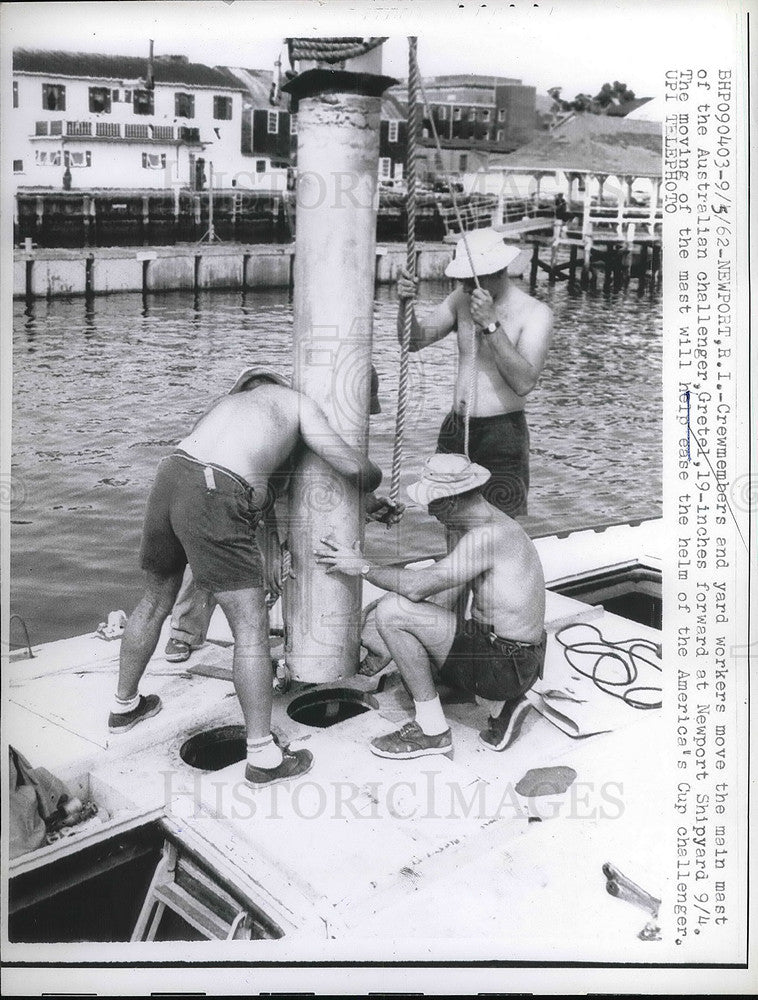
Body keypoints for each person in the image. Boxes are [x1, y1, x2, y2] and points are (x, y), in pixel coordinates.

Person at [109, 367, 383, 788]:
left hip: (172, 475)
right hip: (215, 490)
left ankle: (124, 707)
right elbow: (353, 469)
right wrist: (374, 480)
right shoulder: (298, 405)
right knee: (251, 627)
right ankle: (263, 756)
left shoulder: (226, 408)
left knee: (155, 600)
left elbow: (261, 487)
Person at [315, 452, 546, 759]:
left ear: (450, 500)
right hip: (518, 658)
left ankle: (432, 731)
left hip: (506, 665)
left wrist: (361, 566)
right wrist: (396, 645)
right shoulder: (486, 524)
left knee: (392, 613)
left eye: (433, 504)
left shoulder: (485, 538)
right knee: (411, 671)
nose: (431, 513)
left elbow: (415, 587)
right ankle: (503, 704)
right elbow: (444, 593)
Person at [163, 364, 387, 664]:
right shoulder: (235, 417)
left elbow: (334, 466)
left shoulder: (305, 415)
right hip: (231, 487)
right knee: (209, 554)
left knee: (283, 563)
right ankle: (185, 632)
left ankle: (260, 622)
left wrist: (369, 504)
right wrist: (268, 548)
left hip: (279, 487)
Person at [397, 227, 553, 518]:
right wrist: (406, 304)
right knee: (451, 518)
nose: (466, 288)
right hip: (457, 428)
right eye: (462, 280)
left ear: (496, 270)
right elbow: (414, 342)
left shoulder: (536, 313)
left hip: (503, 432)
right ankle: (454, 564)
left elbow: (524, 383)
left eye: (470, 280)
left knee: (499, 527)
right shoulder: (460, 300)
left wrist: (491, 325)